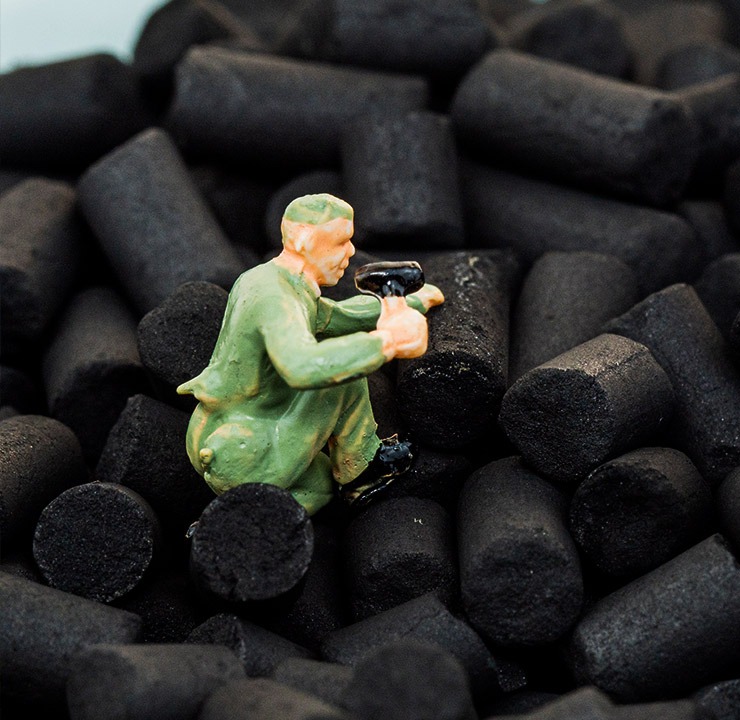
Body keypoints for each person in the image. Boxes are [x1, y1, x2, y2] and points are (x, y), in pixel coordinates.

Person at [177, 193, 443, 515]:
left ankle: (234, 511)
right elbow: (301, 366)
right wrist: (388, 341)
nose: (351, 251)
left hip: (214, 432)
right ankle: (363, 470)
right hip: (245, 447)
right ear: (304, 240)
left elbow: (336, 316)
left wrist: (407, 302)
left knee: (319, 488)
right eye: (341, 242)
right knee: (340, 376)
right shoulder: (276, 298)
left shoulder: (268, 278)